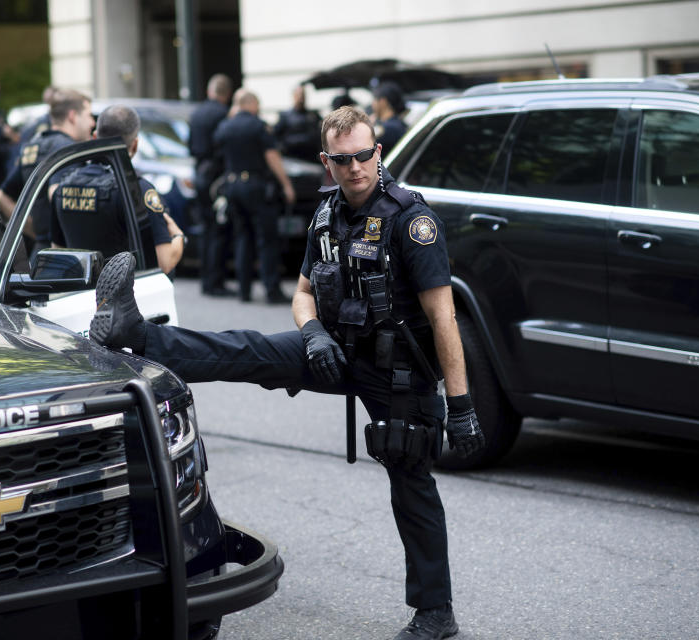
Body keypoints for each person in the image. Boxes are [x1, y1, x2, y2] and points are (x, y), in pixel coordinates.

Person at [87, 105, 484, 640]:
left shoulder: (411, 221)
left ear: (378, 151)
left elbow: (444, 318)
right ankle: (137, 334)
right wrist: (313, 332)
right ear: (327, 161)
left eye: (364, 155)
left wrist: (459, 407)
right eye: (342, 159)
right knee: (248, 350)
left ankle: (436, 612)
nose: (355, 167)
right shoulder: (326, 215)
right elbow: (302, 294)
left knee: (410, 483)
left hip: (398, 372)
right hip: (336, 348)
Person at [52, 104, 185, 273]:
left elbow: (57, 253)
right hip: (125, 296)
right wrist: (179, 237)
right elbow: (164, 262)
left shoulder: (63, 187)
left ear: (94, 138)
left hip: (78, 294)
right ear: (135, 145)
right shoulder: (137, 189)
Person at [213, 88, 295, 304]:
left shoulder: (225, 126)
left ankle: (244, 290)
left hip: (232, 185)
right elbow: (272, 156)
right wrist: (286, 184)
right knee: (267, 239)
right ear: (253, 104)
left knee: (243, 237)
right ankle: (271, 290)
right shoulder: (259, 126)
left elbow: (217, 148)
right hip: (257, 186)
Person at [0, 89, 95, 257]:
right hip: (66, 256)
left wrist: (36, 232)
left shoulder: (33, 146)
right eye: (89, 115)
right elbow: (56, 195)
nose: (92, 123)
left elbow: (1, 197)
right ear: (72, 116)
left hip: (39, 254)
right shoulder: (69, 150)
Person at [189, 73, 233, 297]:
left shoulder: (196, 113)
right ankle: (215, 282)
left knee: (205, 229)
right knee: (218, 230)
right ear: (227, 94)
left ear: (209, 91)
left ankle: (205, 280)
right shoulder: (224, 114)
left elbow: (190, 146)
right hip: (216, 176)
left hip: (198, 173)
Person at [273, 84, 322, 163]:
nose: (301, 98)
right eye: (299, 95)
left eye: (303, 95)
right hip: (292, 158)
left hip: (311, 158)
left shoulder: (313, 115)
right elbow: (276, 136)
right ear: (293, 96)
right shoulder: (285, 116)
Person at [371, 82, 408, 155]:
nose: (372, 104)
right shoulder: (397, 124)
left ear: (383, 102)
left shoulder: (389, 128)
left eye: (375, 99)